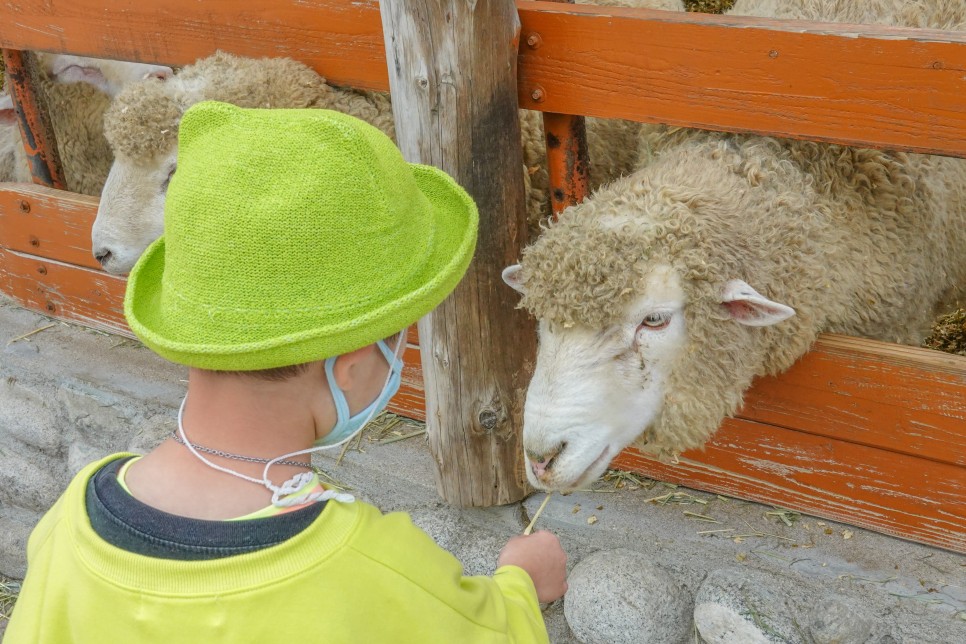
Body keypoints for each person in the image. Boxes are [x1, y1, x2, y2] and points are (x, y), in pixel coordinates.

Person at [5, 101, 567, 643]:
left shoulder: (71, 522)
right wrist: (520, 587)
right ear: (349, 367)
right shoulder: (375, 571)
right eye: (399, 336)